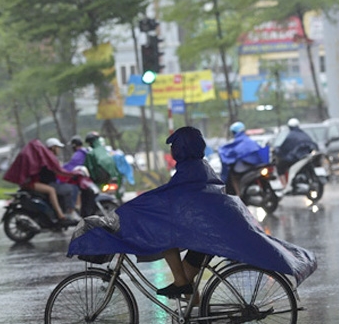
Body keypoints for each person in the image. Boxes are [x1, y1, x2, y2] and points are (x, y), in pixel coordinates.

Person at [67, 126, 317, 301]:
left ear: (181, 148)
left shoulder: (190, 170)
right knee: (173, 247)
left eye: (174, 145)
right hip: (212, 233)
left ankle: (182, 284)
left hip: (210, 234)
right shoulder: (200, 167)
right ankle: (189, 298)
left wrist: (131, 209)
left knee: (163, 232)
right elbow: (175, 195)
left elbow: (169, 197)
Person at [3, 138, 81, 225]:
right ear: (53, 148)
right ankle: (61, 214)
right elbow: (59, 171)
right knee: (53, 190)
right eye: (57, 147)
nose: (59, 150)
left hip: (35, 182)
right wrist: (74, 173)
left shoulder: (45, 156)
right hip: (31, 183)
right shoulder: (48, 157)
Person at [218, 121, 267, 195]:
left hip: (246, 167)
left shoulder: (237, 142)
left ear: (234, 132)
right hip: (257, 166)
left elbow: (229, 154)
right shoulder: (250, 141)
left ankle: (239, 195)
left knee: (233, 175)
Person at [275, 118, 319, 183]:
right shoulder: (304, 134)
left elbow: (283, 148)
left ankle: (284, 185)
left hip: (295, 158)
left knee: (280, 167)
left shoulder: (290, 136)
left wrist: (278, 151)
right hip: (306, 157)